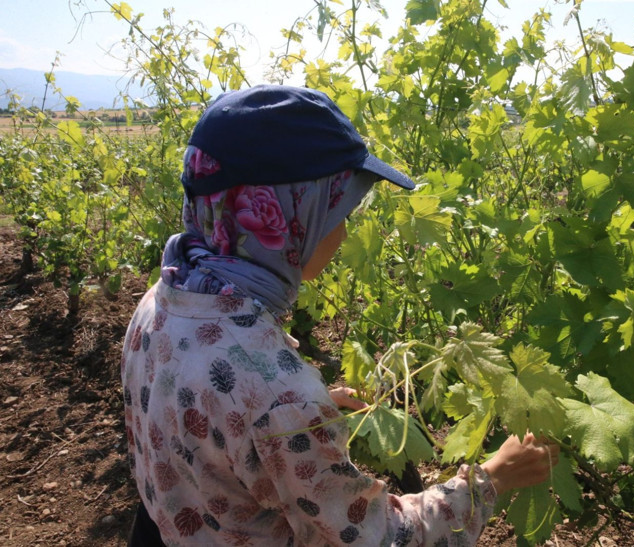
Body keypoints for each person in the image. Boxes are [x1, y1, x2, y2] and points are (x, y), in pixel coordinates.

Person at [122, 85, 559, 546]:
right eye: (336, 209)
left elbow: (203, 420)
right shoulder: (279, 397)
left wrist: (277, 428)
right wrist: (490, 480)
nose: (346, 230)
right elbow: (380, 539)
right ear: (289, 214)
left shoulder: (166, 295)